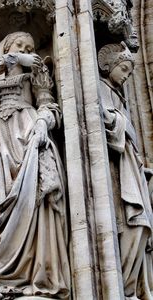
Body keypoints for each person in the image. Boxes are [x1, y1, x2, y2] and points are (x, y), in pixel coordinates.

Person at [0, 31, 70, 300]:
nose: (28, 50)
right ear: (7, 47)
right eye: (20, 45)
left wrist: (42, 123)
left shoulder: (36, 72)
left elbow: (49, 106)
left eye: (31, 46)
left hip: (26, 130)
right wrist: (11, 60)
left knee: (30, 197)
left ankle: (25, 275)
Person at [98, 42, 153, 300]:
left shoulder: (119, 96)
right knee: (134, 220)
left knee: (141, 224)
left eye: (131, 73)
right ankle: (123, 288)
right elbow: (100, 118)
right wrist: (121, 123)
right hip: (117, 166)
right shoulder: (98, 86)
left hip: (130, 164)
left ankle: (129, 289)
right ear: (108, 66)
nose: (126, 76)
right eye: (123, 69)